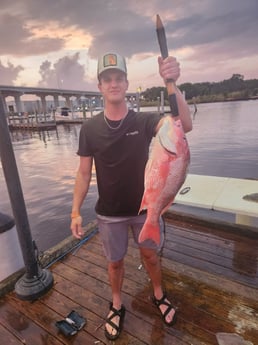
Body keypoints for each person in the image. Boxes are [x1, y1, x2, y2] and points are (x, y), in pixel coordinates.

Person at [70, 52, 192, 340]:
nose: (113, 84)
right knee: (115, 262)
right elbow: (84, 174)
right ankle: (116, 303)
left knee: (150, 256)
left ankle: (159, 294)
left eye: (118, 78)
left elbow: (182, 125)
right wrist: (75, 210)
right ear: (100, 86)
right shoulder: (89, 129)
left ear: (126, 83)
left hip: (145, 209)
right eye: (107, 79)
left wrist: (171, 83)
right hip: (108, 212)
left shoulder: (145, 121)